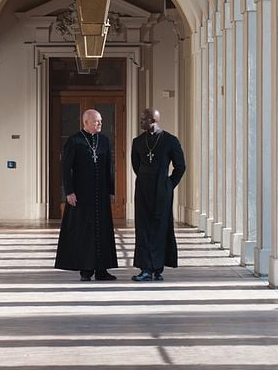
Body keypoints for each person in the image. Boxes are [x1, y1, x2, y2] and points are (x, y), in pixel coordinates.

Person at [55, 109, 119, 281]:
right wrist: (68, 191)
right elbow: (65, 169)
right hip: (81, 195)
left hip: (101, 193)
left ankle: (102, 270)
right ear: (85, 122)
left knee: (102, 230)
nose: (100, 124)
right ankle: (86, 270)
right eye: (96, 121)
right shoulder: (74, 141)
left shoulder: (104, 140)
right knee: (85, 232)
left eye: (101, 121)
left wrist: (111, 190)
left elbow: (109, 168)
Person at [130, 107, 186, 282]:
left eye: (143, 119)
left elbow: (180, 166)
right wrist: (146, 178)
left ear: (153, 120)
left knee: (161, 227)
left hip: (162, 188)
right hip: (143, 189)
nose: (140, 122)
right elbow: (136, 165)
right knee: (143, 227)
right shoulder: (138, 141)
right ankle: (145, 268)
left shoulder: (170, 140)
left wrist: (169, 184)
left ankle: (158, 267)